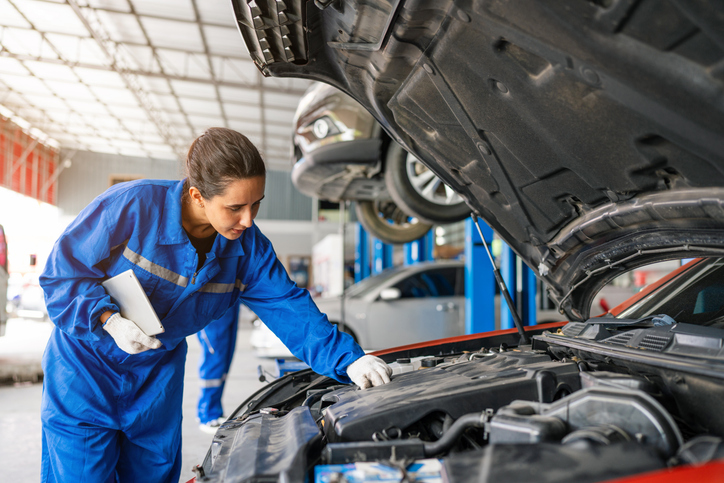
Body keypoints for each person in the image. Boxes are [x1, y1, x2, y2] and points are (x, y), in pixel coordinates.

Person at [39, 127, 392, 482]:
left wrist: (350, 360)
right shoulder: (131, 206)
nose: (248, 220)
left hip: (155, 378)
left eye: (256, 204)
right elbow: (61, 275)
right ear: (197, 195)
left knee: (152, 475)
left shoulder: (249, 251)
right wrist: (108, 319)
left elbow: (289, 307)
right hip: (84, 371)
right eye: (235, 207)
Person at [196, 299, 242, 433]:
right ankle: (206, 415)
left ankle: (215, 410)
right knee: (213, 362)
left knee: (223, 362)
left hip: (229, 303)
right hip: (210, 306)